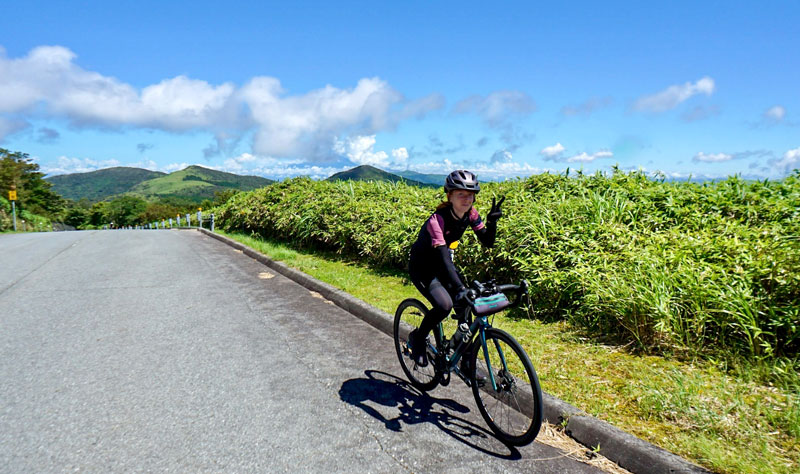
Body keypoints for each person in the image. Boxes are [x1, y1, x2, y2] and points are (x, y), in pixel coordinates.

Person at [407, 169, 504, 368]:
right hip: (423, 267)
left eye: (470, 195)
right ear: (449, 195)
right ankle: (418, 338)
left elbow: (487, 241)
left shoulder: (470, 214)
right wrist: (459, 289)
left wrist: (492, 222)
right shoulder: (438, 220)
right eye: (461, 194)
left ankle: (466, 360)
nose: (466, 199)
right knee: (444, 305)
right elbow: (443, 255)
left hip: (443, 265)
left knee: (467, 305)